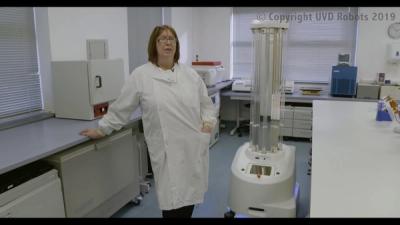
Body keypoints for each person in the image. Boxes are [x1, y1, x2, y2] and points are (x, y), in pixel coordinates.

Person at [80, 25, 217, 218]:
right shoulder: (141, 75)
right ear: (154, 44)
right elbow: (122, 107)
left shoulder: (190, 75)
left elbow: (207, 106)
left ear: (177, 45)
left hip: (192, 148)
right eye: (162, 39)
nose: (168, 42)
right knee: (171, 204)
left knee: (190, 200)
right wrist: (102, 130)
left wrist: (207, 127)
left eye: (172, 39)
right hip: (166, 151)